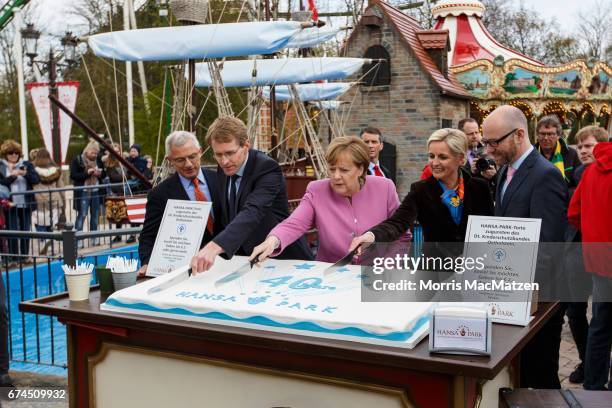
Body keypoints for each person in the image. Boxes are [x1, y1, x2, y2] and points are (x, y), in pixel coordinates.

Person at [482, 105, 568, 389]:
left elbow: (547, 247)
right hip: (512, 294)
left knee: (539, 379)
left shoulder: (546, 175)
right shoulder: (505, 171)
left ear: (519, 134)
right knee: (518, 377)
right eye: (485, 142)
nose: (489, 149)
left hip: (538, 301)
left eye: (494, 142)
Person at [250, 136, 400, 264]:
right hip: (332, 276)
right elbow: (294, 223)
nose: (335, 176)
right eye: (332, 169)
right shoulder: (316, 190)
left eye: (344, 170)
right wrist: (273, 240)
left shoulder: (385, 187)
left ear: (361, 170)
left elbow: (402, 232)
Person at [190, 116, 312, 274]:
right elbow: (227, 217)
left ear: (246, 145)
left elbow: (253, 211)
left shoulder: (267, 168)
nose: (224, 161)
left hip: (283, 260)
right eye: (218, 155)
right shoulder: (224, 168)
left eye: (230, 153)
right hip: (246, 262)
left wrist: (214, 247)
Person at [350, 128, 493, 251]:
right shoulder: (420, 190)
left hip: (474, 268)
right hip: (435, 273)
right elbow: (398, 222)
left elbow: (489, 230)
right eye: (431, 156)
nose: (434, 163)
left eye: (442, 157)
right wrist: (371, 236)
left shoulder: (480, 188)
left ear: (461, 159)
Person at [138, 131, 218, 277]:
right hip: (188, 271)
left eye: (192, 157)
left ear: (200, 152)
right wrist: (147, 262)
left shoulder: (222, 180)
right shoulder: (159, 194)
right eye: (180, 160)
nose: (188, 164)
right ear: (170, 160)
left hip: (227, 262)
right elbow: (148, 236)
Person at [564, 125, 609, 384]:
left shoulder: (591, 173)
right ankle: (591, 371)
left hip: (596, 256)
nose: (582, 151)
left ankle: (594, 380)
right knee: (583, 314)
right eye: (579, 146)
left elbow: (574, 213)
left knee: (601, 322)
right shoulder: (579, 173)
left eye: (588, 146)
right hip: (580, 252)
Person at [0, 139, 40, 259]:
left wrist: (24, 174)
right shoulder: (1, 166)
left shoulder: (27, 164)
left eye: (16, 153)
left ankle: (24, 256)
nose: (13, 155)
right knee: (12, 231)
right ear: (5, 154)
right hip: (9, 204)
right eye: (10, 153)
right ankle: (13, 257)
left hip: (25, 203)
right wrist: (13, 176)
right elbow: (2, 183)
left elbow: (36, 179)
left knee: (25, 231)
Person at [70, 141, 106, 246]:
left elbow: (104, 173)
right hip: (83, 192)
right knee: (82, 215)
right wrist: (87, 173)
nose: (94, 155)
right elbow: (73, 175)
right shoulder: (78, 160)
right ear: (87, 151)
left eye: (96, 153)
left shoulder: (98, 160)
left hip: (96, 191)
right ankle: (78, 239)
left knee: (95, 215)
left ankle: (94, 238)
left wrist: (100, 173)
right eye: (92, 153)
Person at [32, 148, 65, 255]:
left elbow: (32, 186)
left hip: (38, 201)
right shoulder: (56, 170)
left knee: (39, 224)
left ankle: (43, 241)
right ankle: (49, 243)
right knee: (52, 224)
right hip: (54, 199)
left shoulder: (32, 170)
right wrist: (63, 201)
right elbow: (61, 187)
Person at [534, 115, 581, 190]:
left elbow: (579, 184)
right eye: (542, 134)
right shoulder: (531, 154)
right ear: (537, 135)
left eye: (550, 134)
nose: (546, 138)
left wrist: (565, 195)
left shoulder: (571, 154)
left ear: (558, 135)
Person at [103, 143, 129, 243]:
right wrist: (124, 176)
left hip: (125, 190)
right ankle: (118, 235)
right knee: (118, 214)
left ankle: (132, 234)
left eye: (118, 151)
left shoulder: (124, 162)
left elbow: (128, 175)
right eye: (114, 151)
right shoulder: (109, 164)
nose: (116, 153)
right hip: (116, 191)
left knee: (129, 212)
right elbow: (114, 177)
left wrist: (125, 176)